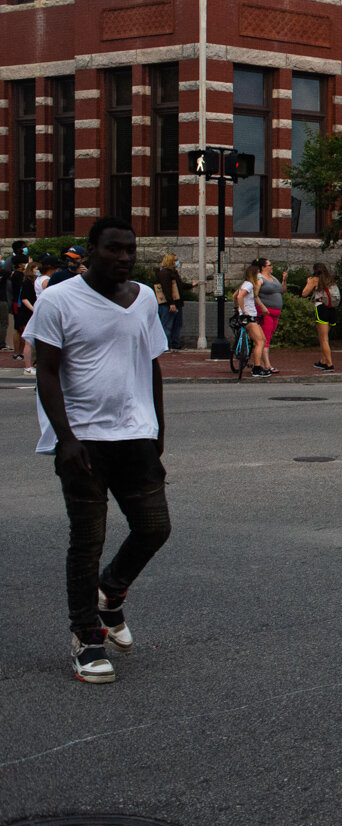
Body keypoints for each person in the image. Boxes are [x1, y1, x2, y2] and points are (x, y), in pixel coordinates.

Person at [28, 218, 172, 683]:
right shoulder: (58, 300)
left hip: (135, 437)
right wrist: (65, 437)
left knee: (154, 528)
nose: (124, 257)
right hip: (84, 440)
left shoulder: (145, 298)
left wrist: (157, 430)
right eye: (113, 249)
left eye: (130, 250)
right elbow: (47, 372)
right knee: (87, 541)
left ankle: (112, 592)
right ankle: (87, 636)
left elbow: (151, 365)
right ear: (91, 249)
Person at [234, 260, 273, 376]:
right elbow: (240, 296)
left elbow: (235, 295)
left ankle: (258, 365)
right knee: (260, 342)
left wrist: (237, 308)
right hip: (249, 316)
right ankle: (257, 367)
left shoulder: (244, 284)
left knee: (263, 340)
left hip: (251, 316)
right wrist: (244, 311)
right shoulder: (249, 285)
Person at [300, 261, 338, 372]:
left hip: (321, 308)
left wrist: (308, 282)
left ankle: (329, 364)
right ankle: (323, 361)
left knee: (323, 339)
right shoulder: (330, 280)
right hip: (332, 309)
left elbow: (304, 293)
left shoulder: (314, 280)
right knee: (325, 337)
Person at [255, 258, 287, 369]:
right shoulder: (259, 278)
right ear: (263, 267)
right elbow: (255, 294)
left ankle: (262, 362)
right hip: (266, 312)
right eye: (269, 265)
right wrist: (262, 307)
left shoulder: (273, 278)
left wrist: (284, 280)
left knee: (268, 337)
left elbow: (282, 291)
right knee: (265, 338)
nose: (271, 266)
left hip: (275, 313)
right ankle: (267, 365)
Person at [153, 253, 186, 351]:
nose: (177, 262)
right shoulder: (165, 273)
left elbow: (180, 285)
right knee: (167, 325)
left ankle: (174, 343)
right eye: (175, 260)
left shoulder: (173, 272)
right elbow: (167, 289)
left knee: (176, 324)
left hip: (176, 303)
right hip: (168, 304)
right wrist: (171, 303)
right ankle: (165, 345)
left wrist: (192, 285)